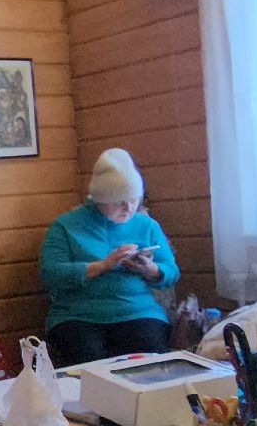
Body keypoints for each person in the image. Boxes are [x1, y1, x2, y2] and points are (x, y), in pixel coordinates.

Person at [39, 148, 180, 367]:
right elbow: (51, 274)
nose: (129, 208)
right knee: (88, 357)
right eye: (120, 202)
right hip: (78, 314)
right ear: (100, 199)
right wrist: (104, 265)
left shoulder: (146, 225)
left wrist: (150, 270)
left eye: (134, 200)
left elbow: (171, 271)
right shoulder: (66, 226)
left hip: (138, 310)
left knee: (148, 355)